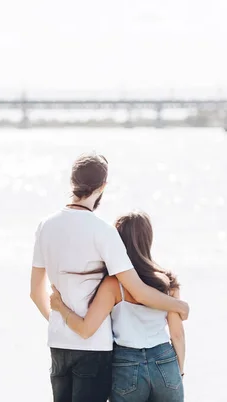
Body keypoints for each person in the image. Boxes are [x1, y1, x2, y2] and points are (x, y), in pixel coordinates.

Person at [30, 153, 189, 402]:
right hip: (100, 348)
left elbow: (35, 292)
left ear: (72, 182)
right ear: (103, 186)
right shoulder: (103, 232)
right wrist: (178, 305)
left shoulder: (45, 226)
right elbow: (138, 291)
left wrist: (58, 319)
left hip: (60, 343)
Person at [50, 211, 185, 402]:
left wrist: (60, 307)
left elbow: (86, 329)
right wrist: (178, 372)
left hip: (128, 365)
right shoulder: (167, 281)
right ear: (148, 239)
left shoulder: (114, 285)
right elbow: (177, 335)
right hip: (165, 360)